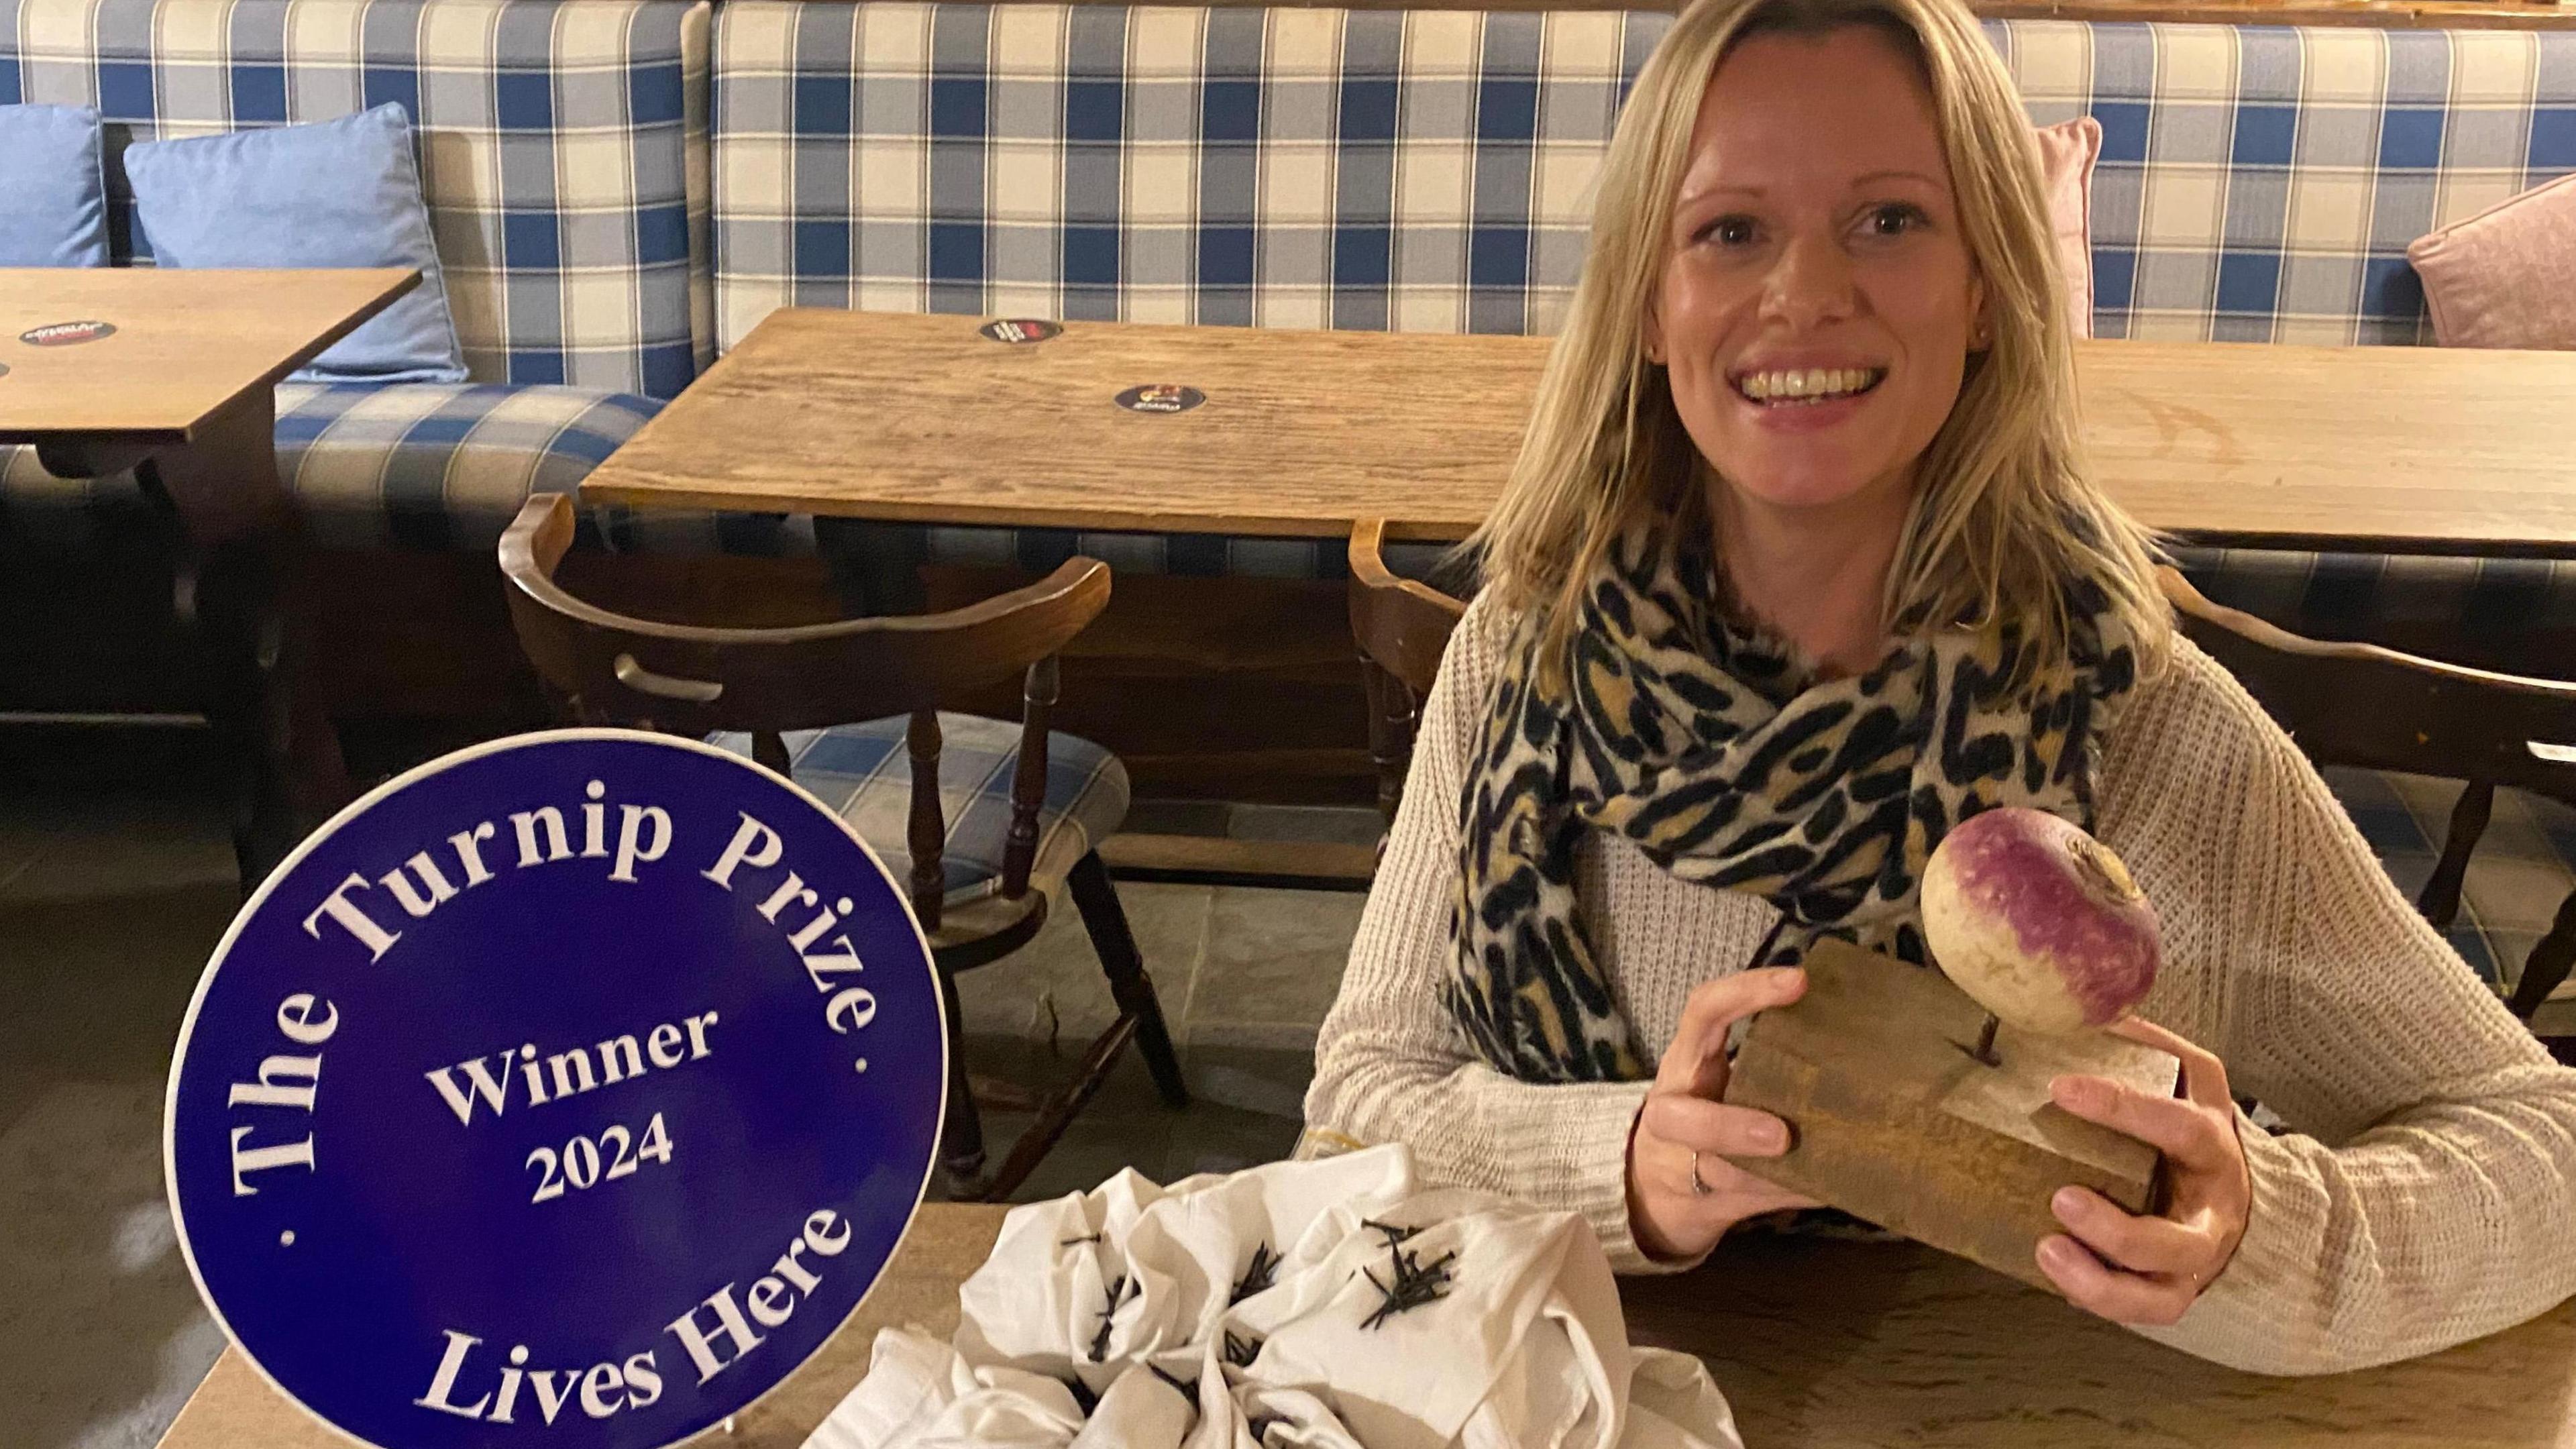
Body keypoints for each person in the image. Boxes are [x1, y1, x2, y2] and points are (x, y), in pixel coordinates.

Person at [1299, 0, 2576, 1376]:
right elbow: (1357, 1113)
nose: (1806, 293)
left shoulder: (2144, 734)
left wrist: (2255, 1229)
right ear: (1649, 307)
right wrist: (1629, 1161)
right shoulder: (1521, 653)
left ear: (1985, 290)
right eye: (1730, 230)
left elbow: (2535, 1139)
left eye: (1890, 220)